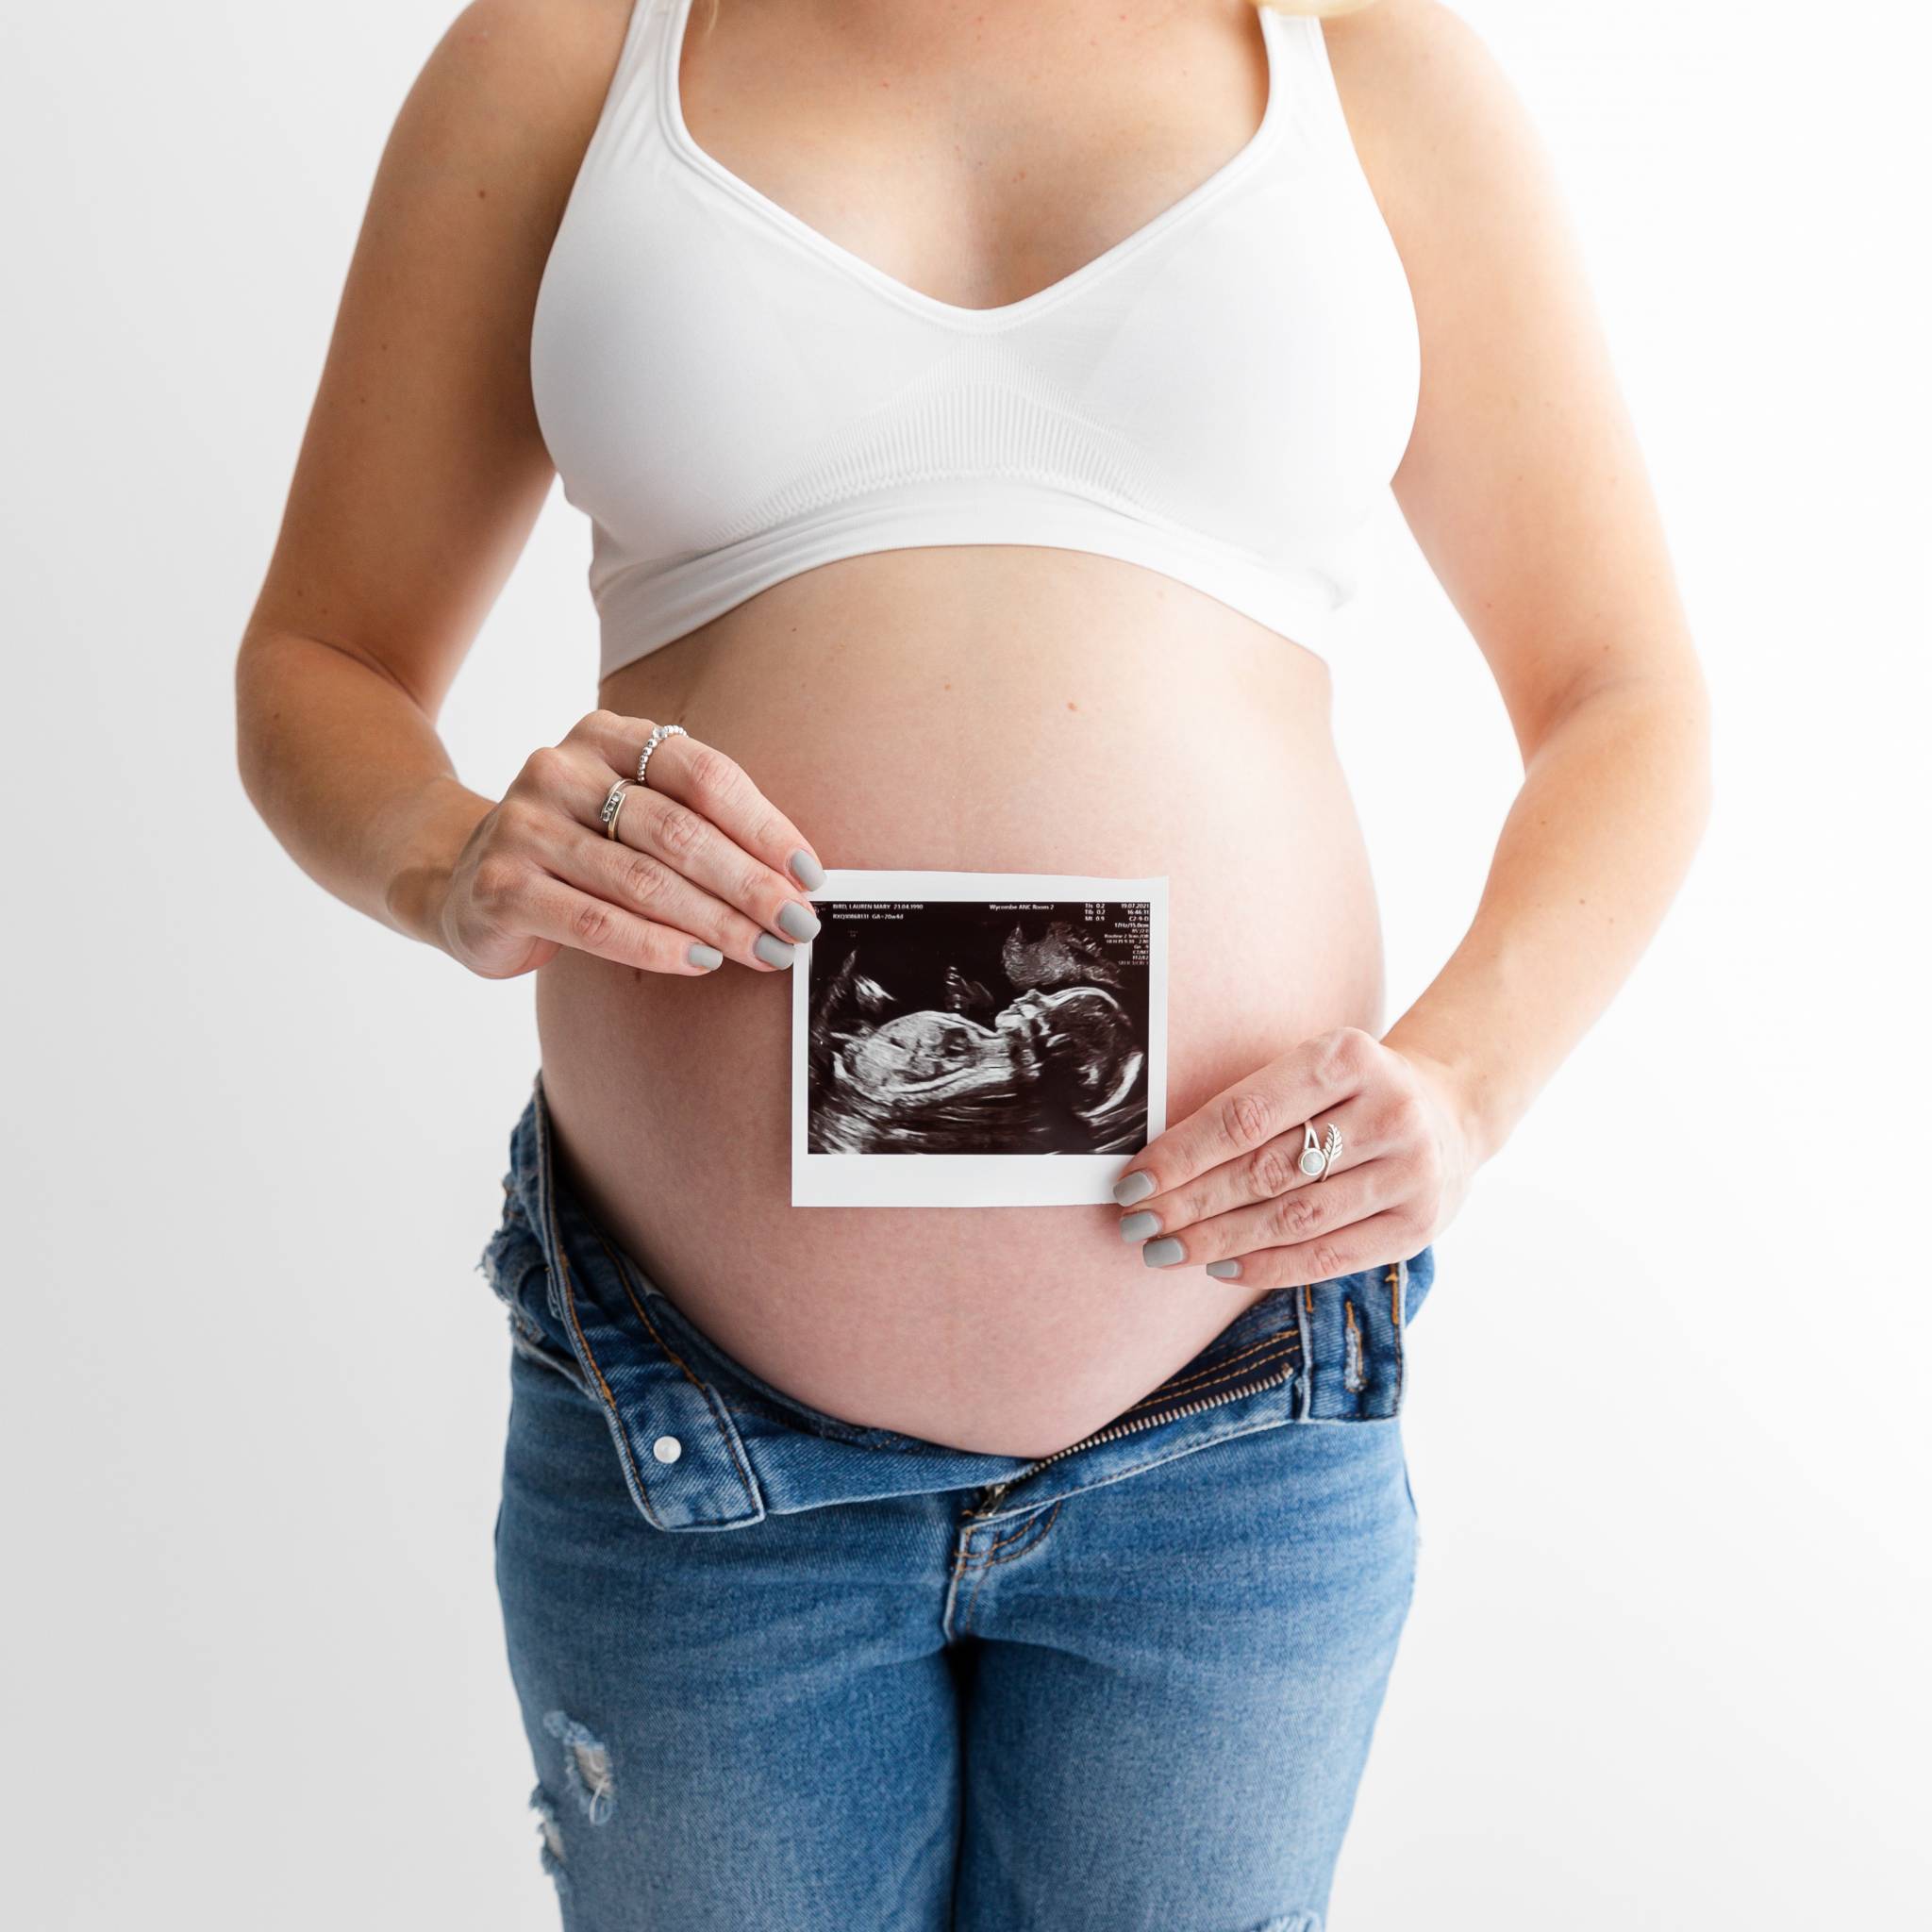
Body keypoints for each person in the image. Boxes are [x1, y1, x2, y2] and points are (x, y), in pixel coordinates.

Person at [233, 0, 1711, 1924]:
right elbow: (318, 663)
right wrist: (449, 860)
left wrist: (1465, 1084)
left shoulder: (1359, 58)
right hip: (694, 1430)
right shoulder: (575, 49)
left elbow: (1624, 696)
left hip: (1234, 1411)